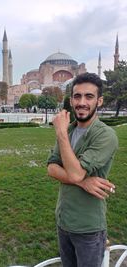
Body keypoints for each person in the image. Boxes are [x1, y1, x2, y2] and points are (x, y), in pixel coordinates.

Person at [47, 72, 118, 267]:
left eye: (89, 96)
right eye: (77, 96)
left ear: (100, 101)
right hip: (64, 221)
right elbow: (52, 168)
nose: (82, 102)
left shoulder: (105, 135)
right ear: (71, 100)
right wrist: (84, 182)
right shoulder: (70, 130)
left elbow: (75, 173)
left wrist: (60, 133)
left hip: (88, 228)